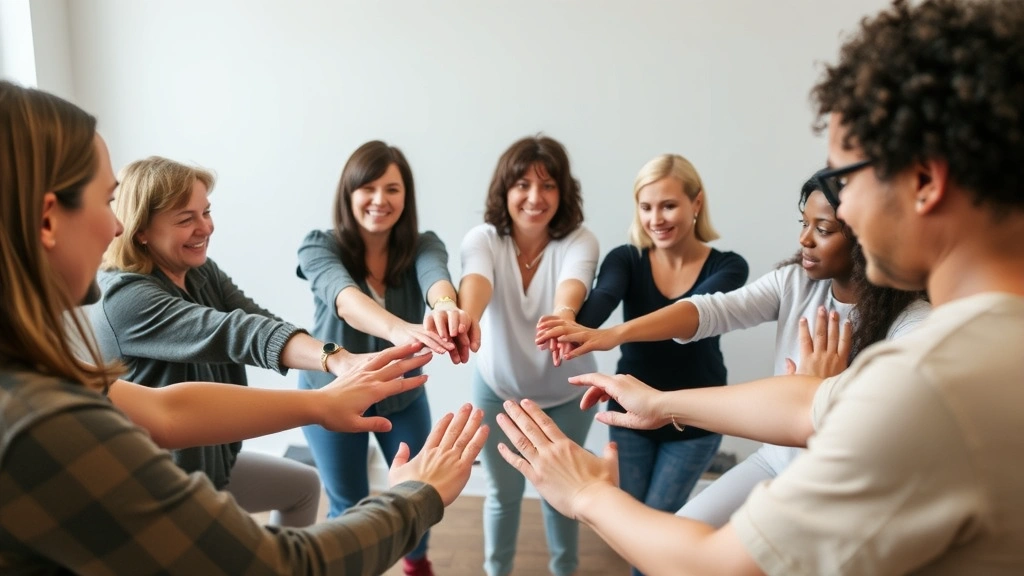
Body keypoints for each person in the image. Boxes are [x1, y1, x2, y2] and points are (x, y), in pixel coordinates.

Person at [496, 0, 1024, 573]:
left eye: (843, 181)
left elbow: (712, 564)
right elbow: (811, 402)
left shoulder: (925, 379)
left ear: (923, 180)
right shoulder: (972, 350)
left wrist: (584, 493)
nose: (839, 212)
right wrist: (659, 402)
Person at [0, 79, 489, 574]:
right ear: (46, 221)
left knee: (303, 487)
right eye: (107, 203)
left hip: (224, 457)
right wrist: (414, 493)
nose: (115, 227)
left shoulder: (44, 369)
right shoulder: (55, 391)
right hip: (194, 471)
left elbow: (170, 407)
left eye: (205, 212)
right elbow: (245, 330)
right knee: (340, 498)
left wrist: (325, 397)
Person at [538, 179, 929, 529]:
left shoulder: (913, 325)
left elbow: (879, 435)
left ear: (869, 239)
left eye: (823, 229)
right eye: (803, 224)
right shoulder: (794, 282)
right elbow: (709, 310)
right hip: (776, 460)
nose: (805, 240)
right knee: (684, 529)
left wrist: (817, 390)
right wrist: (613, 335)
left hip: (842, 482)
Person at [88, 155, 367, 527]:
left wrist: (334, 356)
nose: (206, 227)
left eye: (206, 211)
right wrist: (338, 363)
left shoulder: (198, 271)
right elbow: (237, 332)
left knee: (302, 486)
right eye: (187, 219)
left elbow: (257, 320)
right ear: (141, 230)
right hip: (157, 487)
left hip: (211, 467)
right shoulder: (124, 300)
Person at [296, 140, 472, 575]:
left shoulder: (422, 245)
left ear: (406, 196)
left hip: (402, 396)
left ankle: (416, 564)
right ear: (349, 194)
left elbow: (437, 279)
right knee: (348, 506)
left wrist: (446, 306)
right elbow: (345, 299)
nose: (379, 200)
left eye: (392, 189)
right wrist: (400, 329)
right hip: (332, 397)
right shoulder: (319, 246)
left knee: (419, 492)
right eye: (368, 188)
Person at [569, 153, 748, 576]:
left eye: (668, 205)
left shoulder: (728, 266)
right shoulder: (626, 258)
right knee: (635, 520)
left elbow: (688, 312)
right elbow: (595, 310)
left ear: (696, 203)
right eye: (646, 207)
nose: (656, 218)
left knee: (660, 521)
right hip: (628, 411)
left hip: (695, 417)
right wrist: (564, 313)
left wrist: (618, 333)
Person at [458, 135, 599, 576]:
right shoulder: (483, 239)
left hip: (566, 393)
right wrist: (467, 318)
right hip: (497, 391)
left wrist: (562, 316)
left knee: (563, 497)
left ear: (563, 192)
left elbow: (571, 289)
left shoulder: (580, 240)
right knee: (503, 496)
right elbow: (475, 283)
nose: (535, 198)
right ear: (505, 190)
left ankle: (566, 570)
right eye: (522, 184)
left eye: (548, 185)